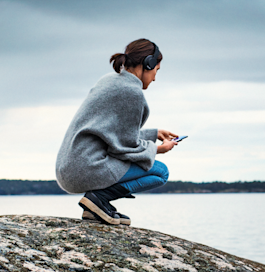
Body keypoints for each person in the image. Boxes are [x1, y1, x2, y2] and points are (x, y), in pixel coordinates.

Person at [55, 38, 178, 226]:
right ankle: (99, 198)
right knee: (161, 172)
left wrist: (154, 134)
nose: (155, 78)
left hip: (69, 168)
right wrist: (158, 149)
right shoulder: (132, 92)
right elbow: (124, 148)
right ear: (148, 64)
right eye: (156, 70)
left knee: (149, 164)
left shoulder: (109, 80)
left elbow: (114, 136)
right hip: (87, 168)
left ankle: (95, 208)